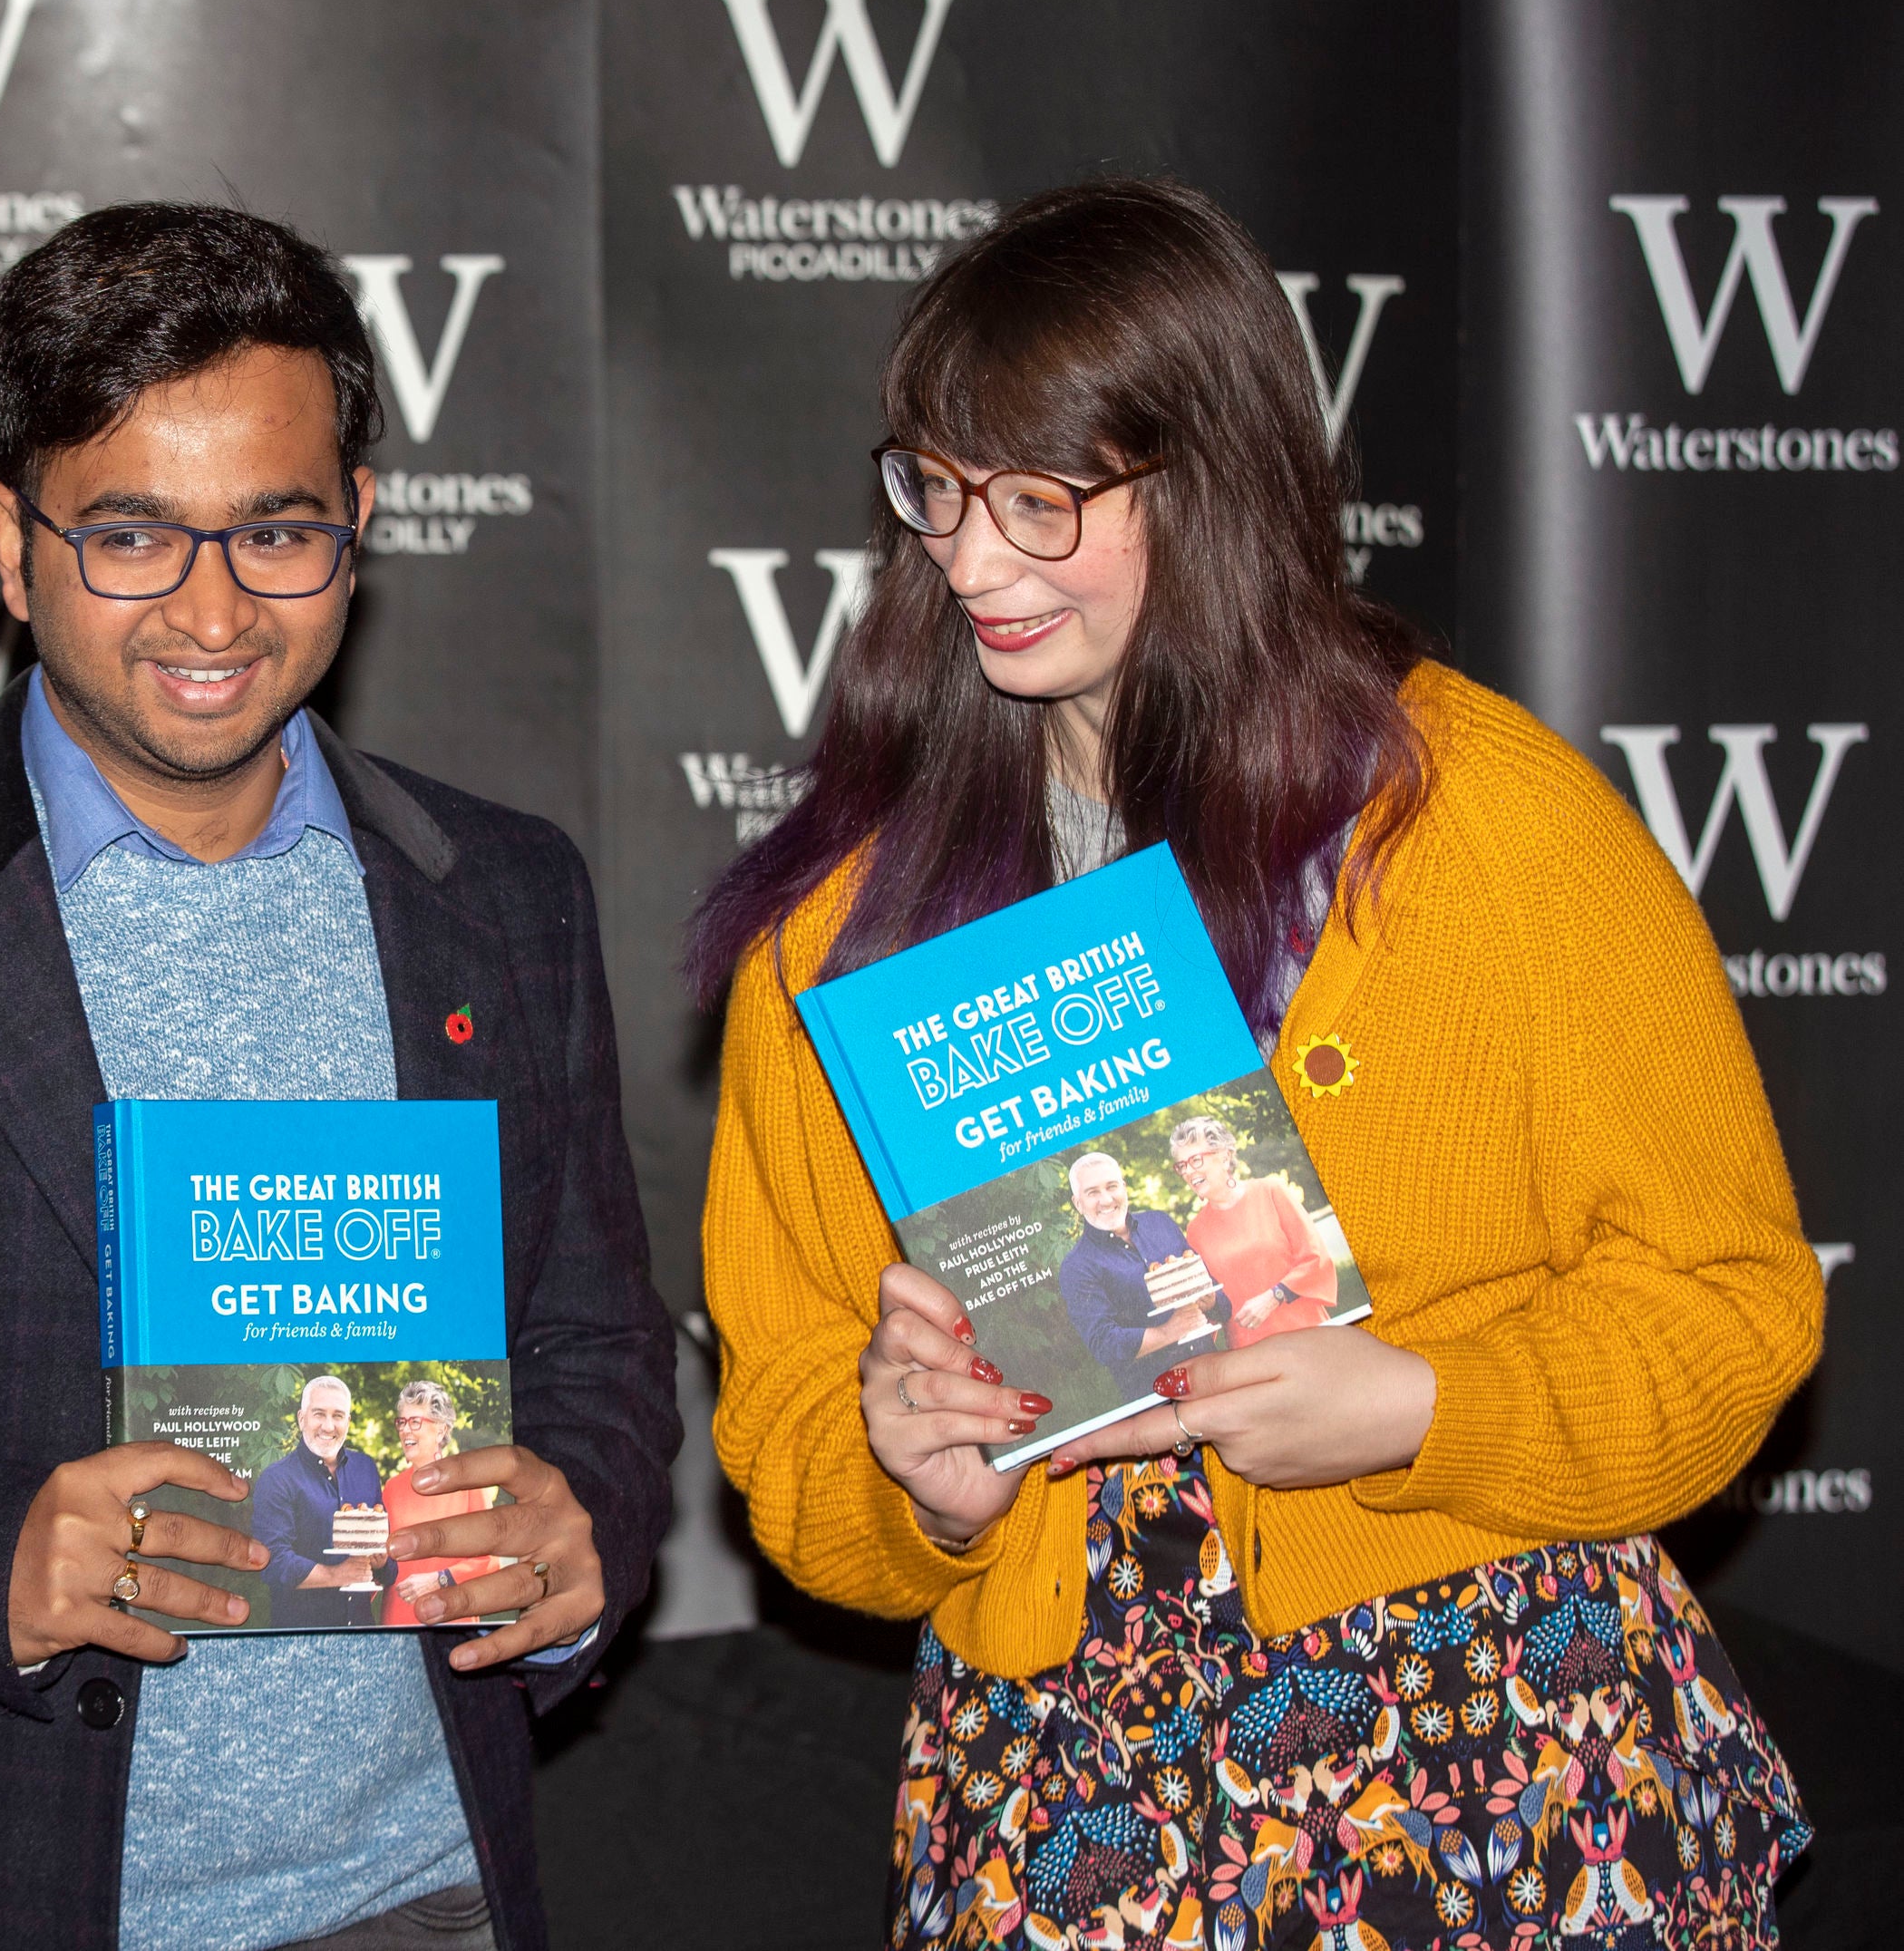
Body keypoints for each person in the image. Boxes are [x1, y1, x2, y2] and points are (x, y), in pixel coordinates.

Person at [693, 178, 1818, 1947]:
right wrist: (911, 1467)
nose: (973, 560)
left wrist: (1424, 1405)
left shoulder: (1476, 821)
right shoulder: (847, 922)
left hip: (1500, 1744)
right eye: (936, 489)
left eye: (1042, 500)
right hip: (1063, 1787)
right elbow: (785, 1423)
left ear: (1209, 476)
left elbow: (1731, 1298)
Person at [0, 202, 677, 1951]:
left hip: (418, 1892)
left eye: (278, 532)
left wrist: (579, 1537)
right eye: (131, 538)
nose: (214, 608)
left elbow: (595, 1341)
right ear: (11, 547)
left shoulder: (506, 895)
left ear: (361, 529)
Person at [1052, 1151, 1220, 1402]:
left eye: (1111, 1186)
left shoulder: (1159, 1223)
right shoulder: (1077, 1266)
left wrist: (1211, 1300)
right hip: (1158, 1396)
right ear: (1078, 1203)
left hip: (1213, 1371)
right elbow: (1104, 1344)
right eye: (1093, 1192)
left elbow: (1218, 1295)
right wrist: (1168, 1332)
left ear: (1124, 1187)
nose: (1106, 1199)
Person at [1171, 1114, 1339, 1344]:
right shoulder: (1195, 1231)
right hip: (1250, 1351)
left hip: (1307, 1334)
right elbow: (1212, 1305)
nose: (1188, 1172)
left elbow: (1315, 1259)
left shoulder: (1271, 1191)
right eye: (1182, 1166)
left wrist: (1275, 1295)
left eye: (1196, 1160)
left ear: (1225, 1157)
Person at [255, 1377, 393, 1628]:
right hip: (302, 1637)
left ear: (348, 1422)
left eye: (338, 1416)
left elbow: (389, 1570)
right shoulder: (276, 1479)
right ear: (301, 1418)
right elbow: (272, 1562)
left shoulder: (366, 1469)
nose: (328, 1426)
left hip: (363, 1632)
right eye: (319, 1414)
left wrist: (381, 1561)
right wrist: (336, 1574)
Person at [382, 1382, 500, 1627]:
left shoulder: (470, 1484)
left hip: (451, 1620)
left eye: (415, 1422)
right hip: (397, 1622)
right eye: (402, 1422)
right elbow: (381, 1563)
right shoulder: (392, 1488)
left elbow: (489, 1561)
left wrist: (439, 1579)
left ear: (441, 1429)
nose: (405, 1431)